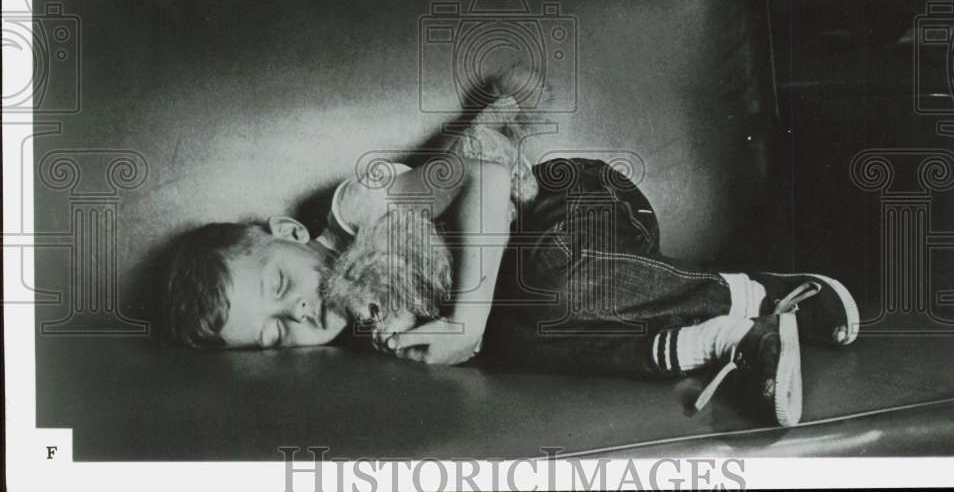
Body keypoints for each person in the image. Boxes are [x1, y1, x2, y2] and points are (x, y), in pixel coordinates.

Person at [162, 127, 859, 428]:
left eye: (281, 288)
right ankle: (726, 338)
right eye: (275, 334)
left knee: (538, 285)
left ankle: (758, 287)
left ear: (287, 236)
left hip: (571, 205)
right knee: (518, 340)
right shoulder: (365, 334)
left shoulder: (360, 206)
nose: (302, 317)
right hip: (589, 290)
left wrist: (464, 319)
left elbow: (484, 164)